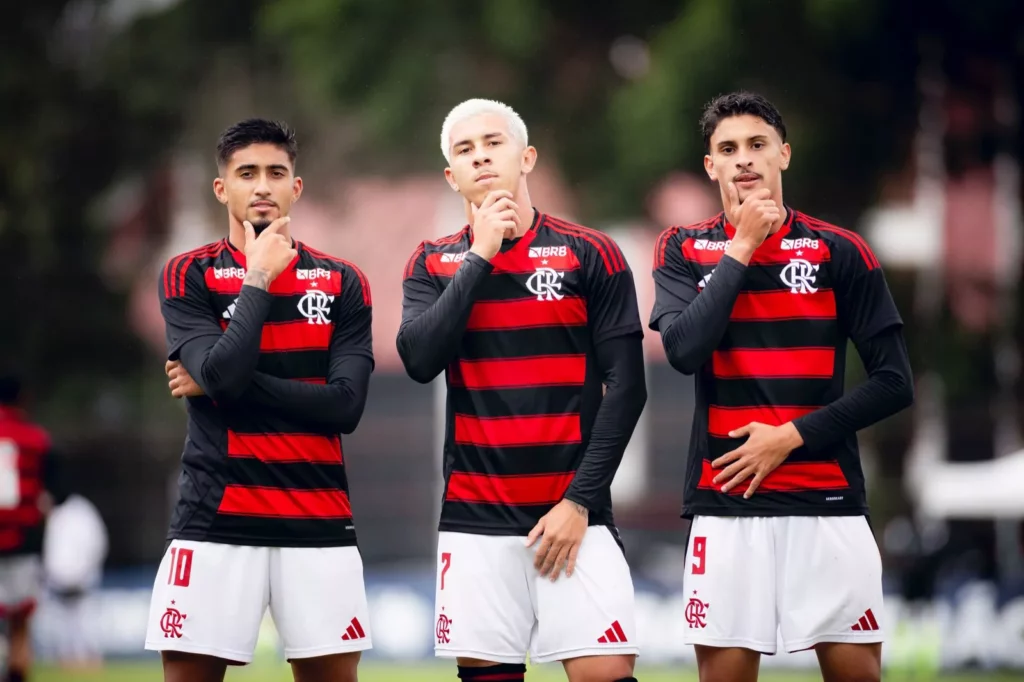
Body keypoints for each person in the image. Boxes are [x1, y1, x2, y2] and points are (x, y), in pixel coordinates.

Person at [648, 91, 915, 682]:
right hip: (726, 505)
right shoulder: (682, 249)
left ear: (784, 155)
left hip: (829, 505)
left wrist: (790, 436)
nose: (743, 159)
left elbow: (895, 383)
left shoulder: (840, 250)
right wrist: (741, 246)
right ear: (710, 166)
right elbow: (684, 352)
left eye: (757, 144)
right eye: (727, 149)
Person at [397, 98, 647, 682]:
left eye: (494, 142)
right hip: (474, 522)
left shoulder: (592, 253)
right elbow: (418, 360)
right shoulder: (432, 263)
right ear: (450, 175)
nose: (481, 156)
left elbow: (627, 387)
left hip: (576, 521)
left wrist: (580, 501)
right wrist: (481, 254)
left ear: (526, 156)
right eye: (464, 150)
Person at [144, 119, 375, 682]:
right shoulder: (187, 274)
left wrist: (227, 385)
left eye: (277, 172)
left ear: (297, 187)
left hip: (318, 522)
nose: (263, 186)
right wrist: (258, 280)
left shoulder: (344, 282)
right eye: (247, 173)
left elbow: (345, 407)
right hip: (215, 521)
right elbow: (221, 377)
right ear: (222, 188)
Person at [0, 373, 67, 682]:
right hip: (22, 543)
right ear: (22, 399)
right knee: (20, 626)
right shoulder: (36, 439)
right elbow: (56, 495)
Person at [42, 492, 109, 671]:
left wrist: (85, 570)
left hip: (82, 580)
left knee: (85, 624)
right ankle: (69, 661)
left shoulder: (82, 512)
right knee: (64, 628)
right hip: (60, 581)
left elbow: (97, 543)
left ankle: (90, 661)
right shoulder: (57, 517)